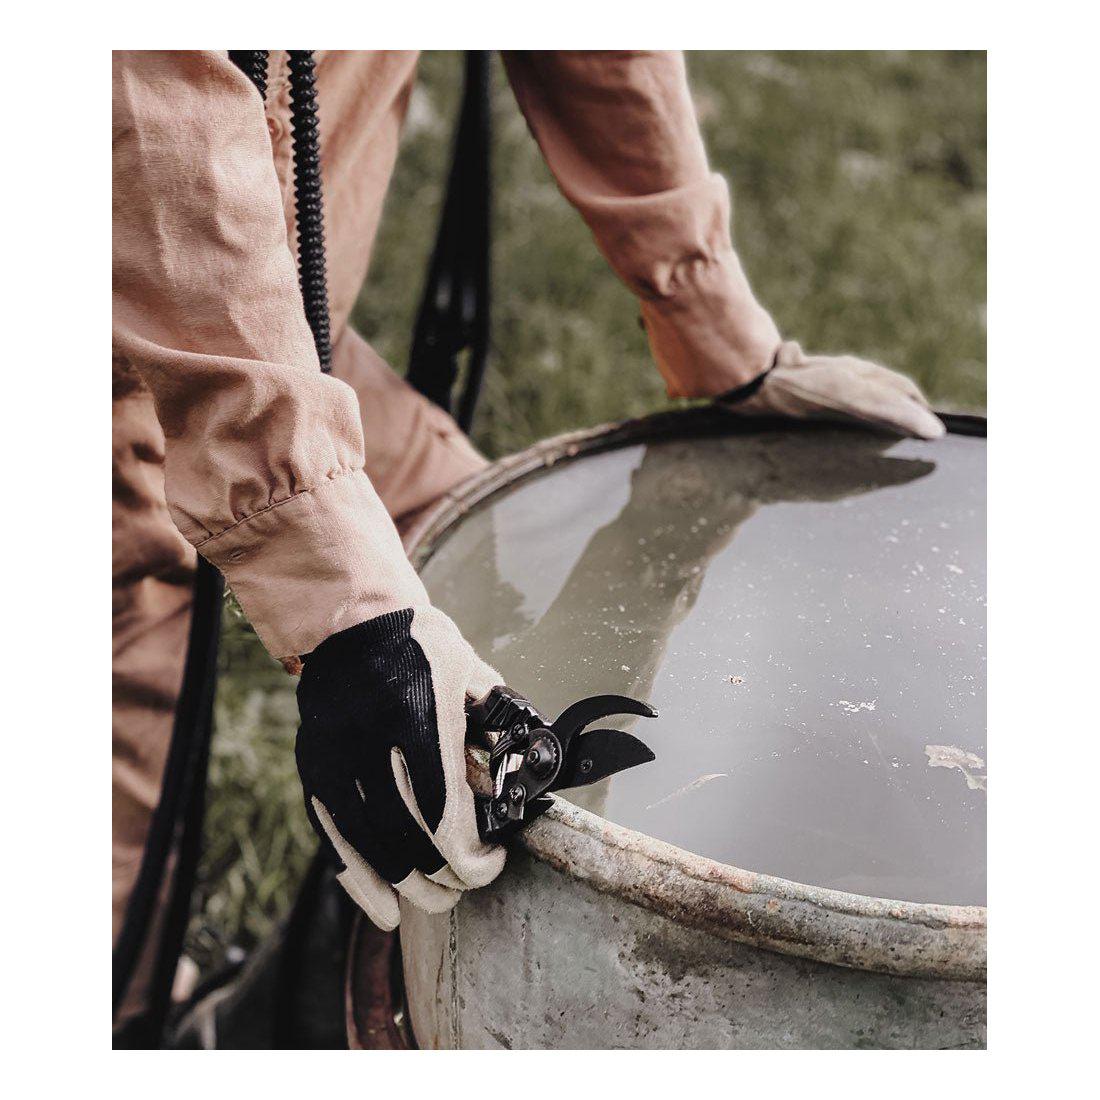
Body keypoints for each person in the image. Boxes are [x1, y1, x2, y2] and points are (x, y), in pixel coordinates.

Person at [112, 49, 944, 1025]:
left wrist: (711, 323)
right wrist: (334, 592)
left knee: (510, 660)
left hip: (268, 325)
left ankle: (300, 996)